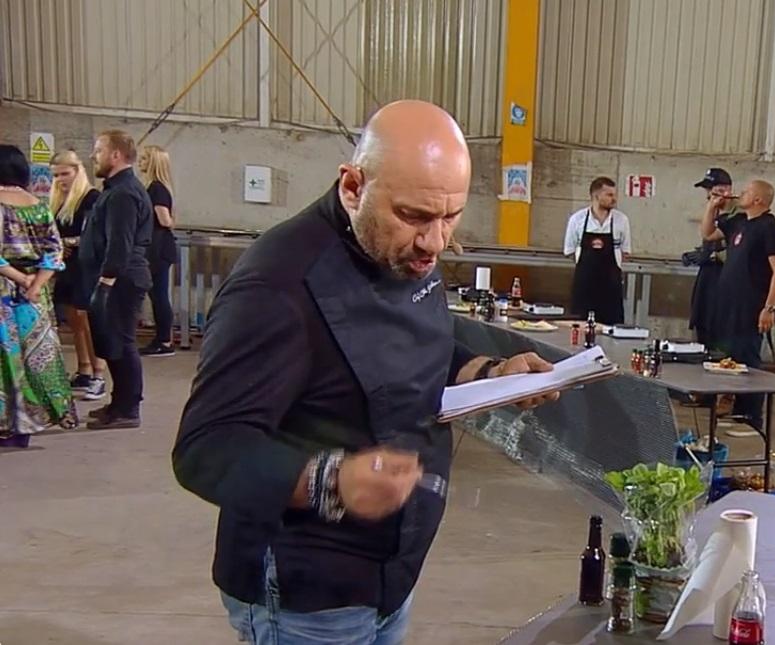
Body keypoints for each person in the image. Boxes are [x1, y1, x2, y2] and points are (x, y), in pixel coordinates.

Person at [172, 100, 563, 644]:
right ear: (353, 186)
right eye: (415, 217)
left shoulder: (403, 251)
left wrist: (489, 371)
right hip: (307, 594)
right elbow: (205, 450)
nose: (435, 242)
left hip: (391, 572)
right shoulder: (275, 287)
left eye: (450, 217)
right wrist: (331, 481)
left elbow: (418, 344)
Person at [0, 144, 78, 447]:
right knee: (35, 360)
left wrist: (19, 279)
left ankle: (7, 426)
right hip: (35, 296)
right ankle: (27, 429)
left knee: (6, 363)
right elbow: (55, 251)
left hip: (4, 292)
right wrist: (34, 285)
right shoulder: (39, 205)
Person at [700, 179, 775, 436]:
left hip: (751, 305)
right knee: (732, 356)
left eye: (747, 191)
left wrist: (769, 307)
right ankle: (737, 409)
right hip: (729, 303)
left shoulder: (770, 228)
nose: (741, 193)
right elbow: (708, 234)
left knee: (748, 357)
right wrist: (712, 206)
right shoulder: (738, 222)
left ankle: (752, 417)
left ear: (758, 199)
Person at [80, 129, 153, 430]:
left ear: (115, 155)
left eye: (98, 151)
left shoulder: (123, 194)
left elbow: (120, 242)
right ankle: (119, 402)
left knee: (121, 342)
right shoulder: (116, 190)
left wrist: (106, 281)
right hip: (117, 276)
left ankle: (128, 409)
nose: (93, 156)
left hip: (121, 279)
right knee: (113, 342)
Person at [49, 149, 107, 400]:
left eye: (65, 174)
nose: (60, 180)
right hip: (68, 266)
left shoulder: (92, 198)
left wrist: (67, 242)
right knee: (74, 319)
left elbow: (95, 235)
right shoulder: (58, 200)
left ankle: (98, 374)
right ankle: (84, 369)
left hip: (88, 266)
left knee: (88, 319)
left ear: (77, 171)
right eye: (56, 175)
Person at [564, 176, 631, 324]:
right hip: (584, 288)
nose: (614, 199)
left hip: (611, 289)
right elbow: (569, 251)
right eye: (609, 195)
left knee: (611, 329)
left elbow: (625, 252)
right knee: (581, 327)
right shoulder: (577, 220)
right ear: (596, 196)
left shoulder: (621, 221)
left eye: (615, 195)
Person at [688, 167, 741, 349]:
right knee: (703, 322)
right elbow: (706, 235)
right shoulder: (715, 212)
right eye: (708, 190)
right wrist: (702, 253)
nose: (709, 195)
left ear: (727, 190)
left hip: (726, 280)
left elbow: (735, 249)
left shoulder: (738, 215)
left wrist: (715, 254)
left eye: (713, 190)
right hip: (708, 277)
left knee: (720, 331)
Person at [138, 144, 178, 357]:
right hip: (157, 248)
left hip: (158, 249)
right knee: (157, 294)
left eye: (144, 158)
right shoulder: (157, 188)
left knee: (159, 295)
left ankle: (164, 340)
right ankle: (162, 338)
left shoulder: (156, 189)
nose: (140, 162)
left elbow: (164, 219)